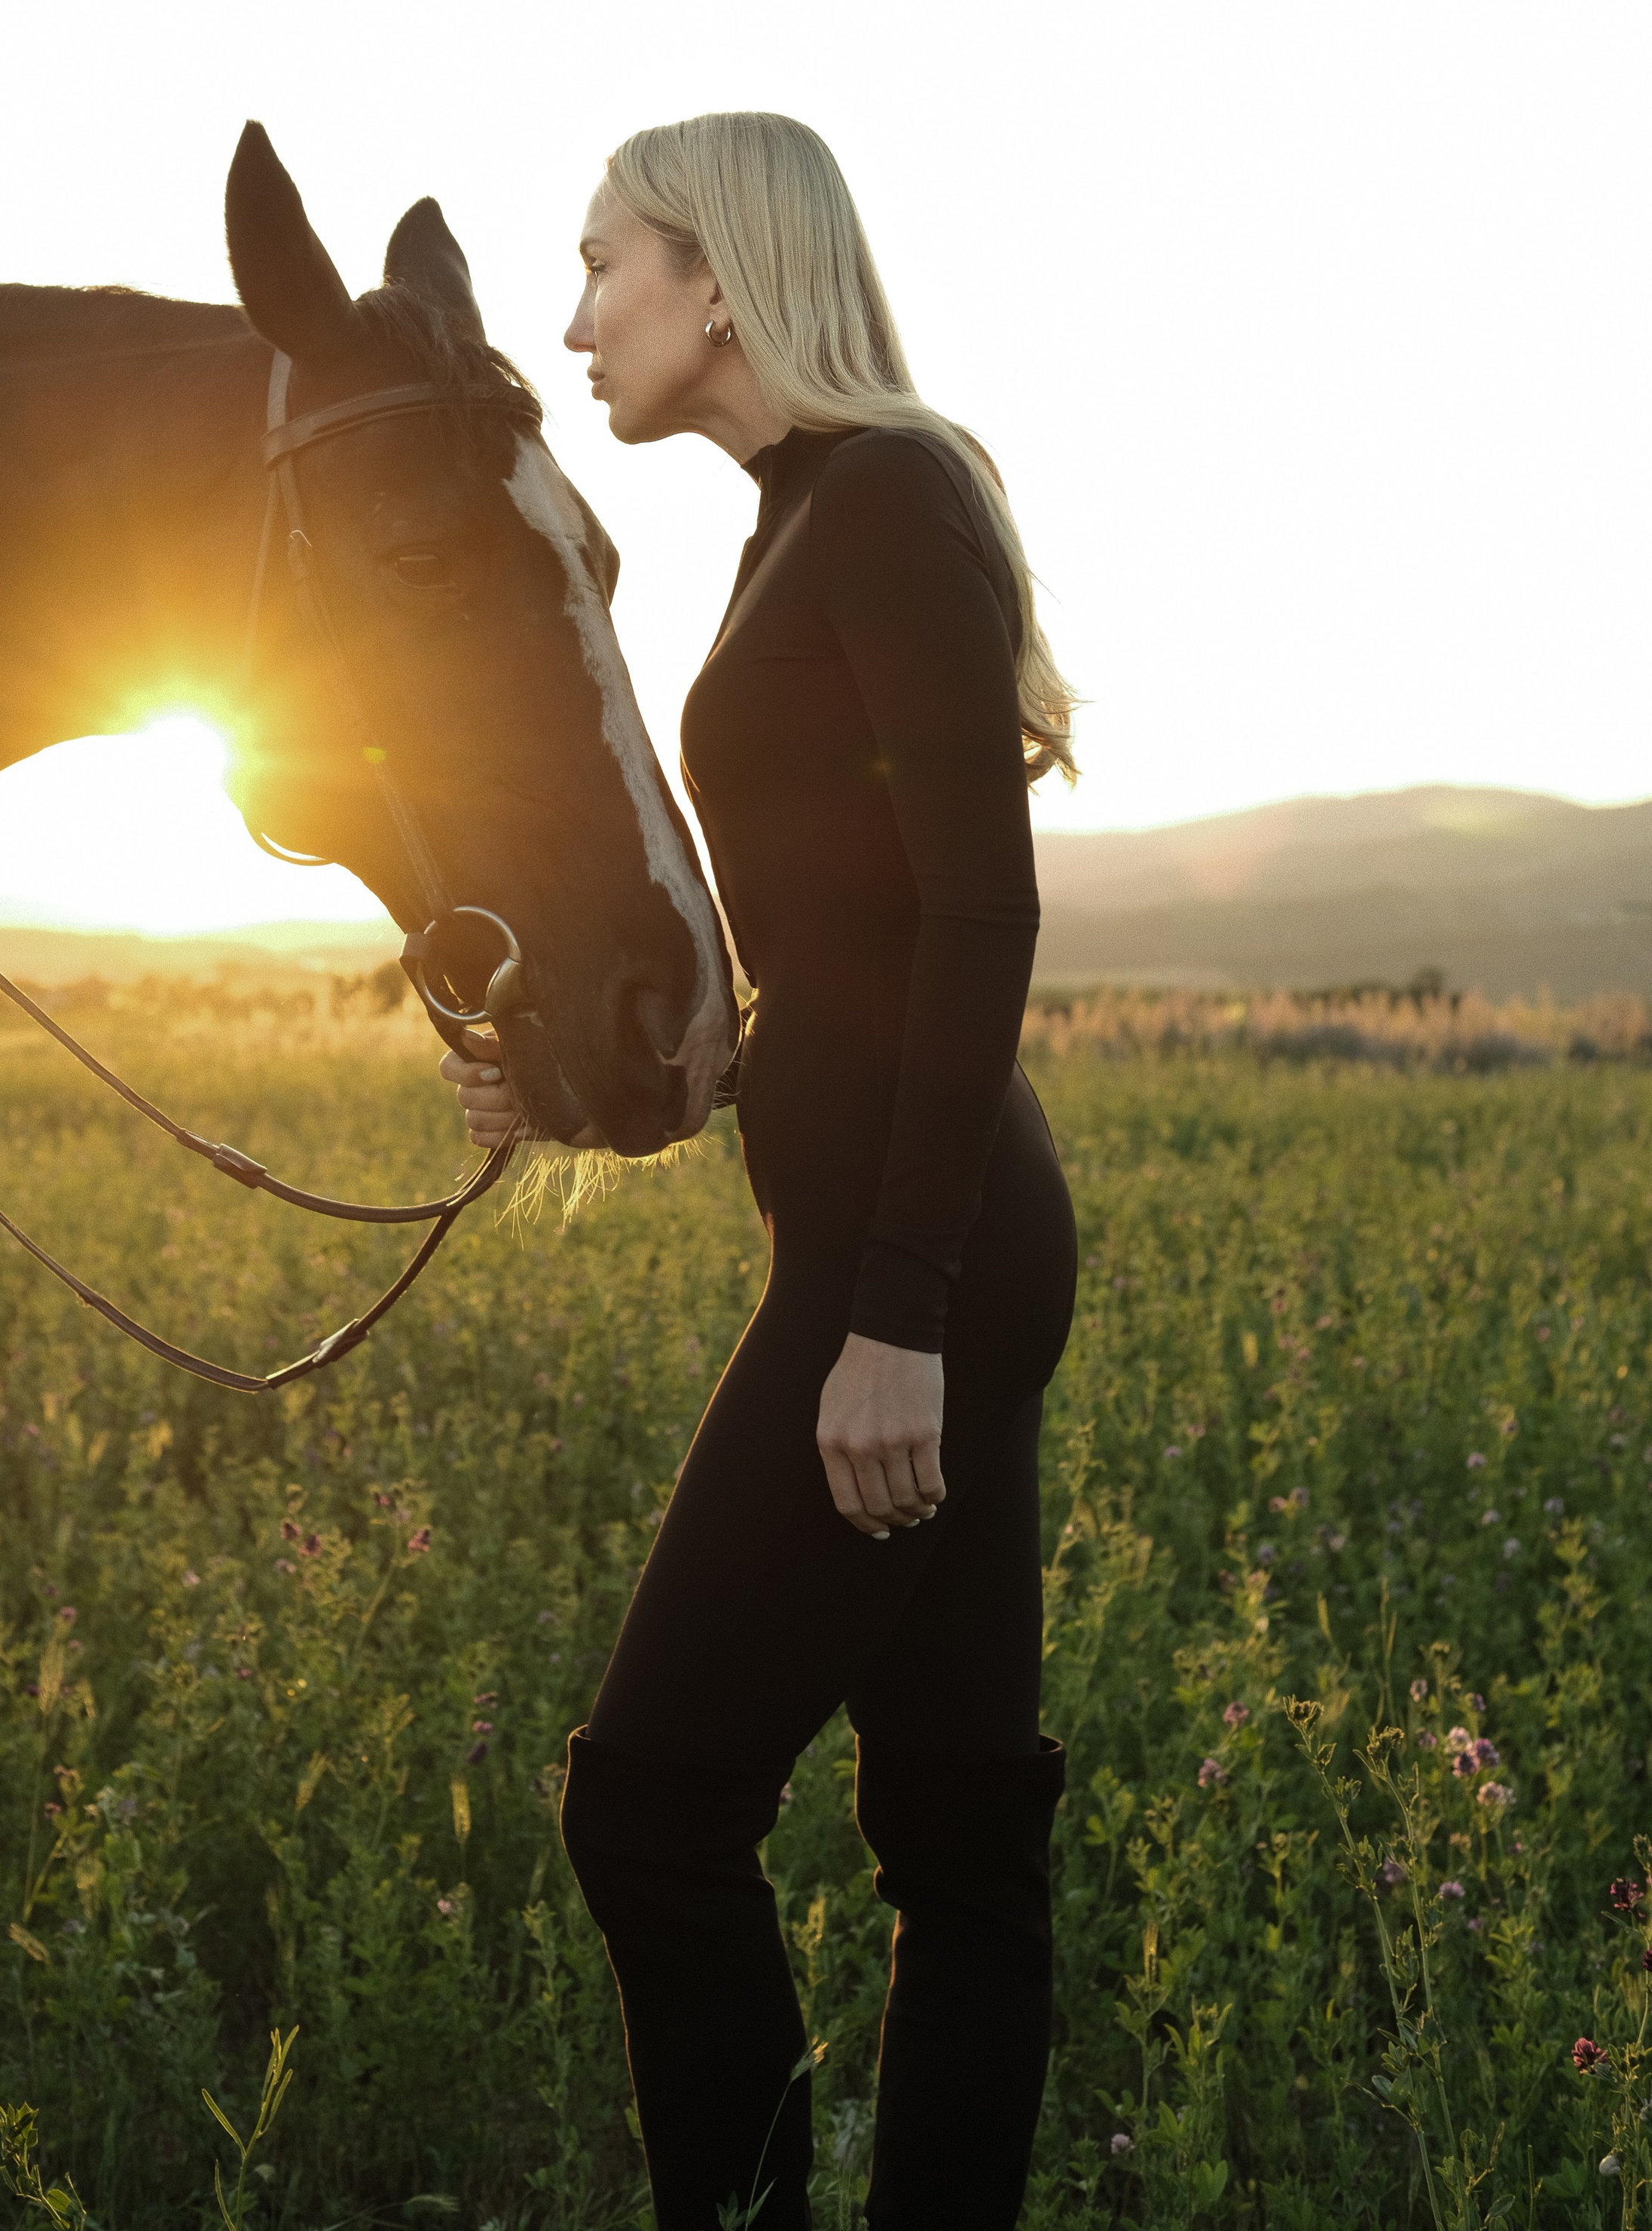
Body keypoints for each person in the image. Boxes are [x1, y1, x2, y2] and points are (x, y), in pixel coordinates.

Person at [442, 112, 1078, 2227]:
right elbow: (845, 957)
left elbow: (980, 916)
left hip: (928, 1247)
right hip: (926, 1218)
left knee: (647, 1813)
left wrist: (893, 1308)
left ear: (720, 279)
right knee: (962, 1834)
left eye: (605, 258)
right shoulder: (801, 520)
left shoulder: (885, 497)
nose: (576, 314)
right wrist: (613, 1089)